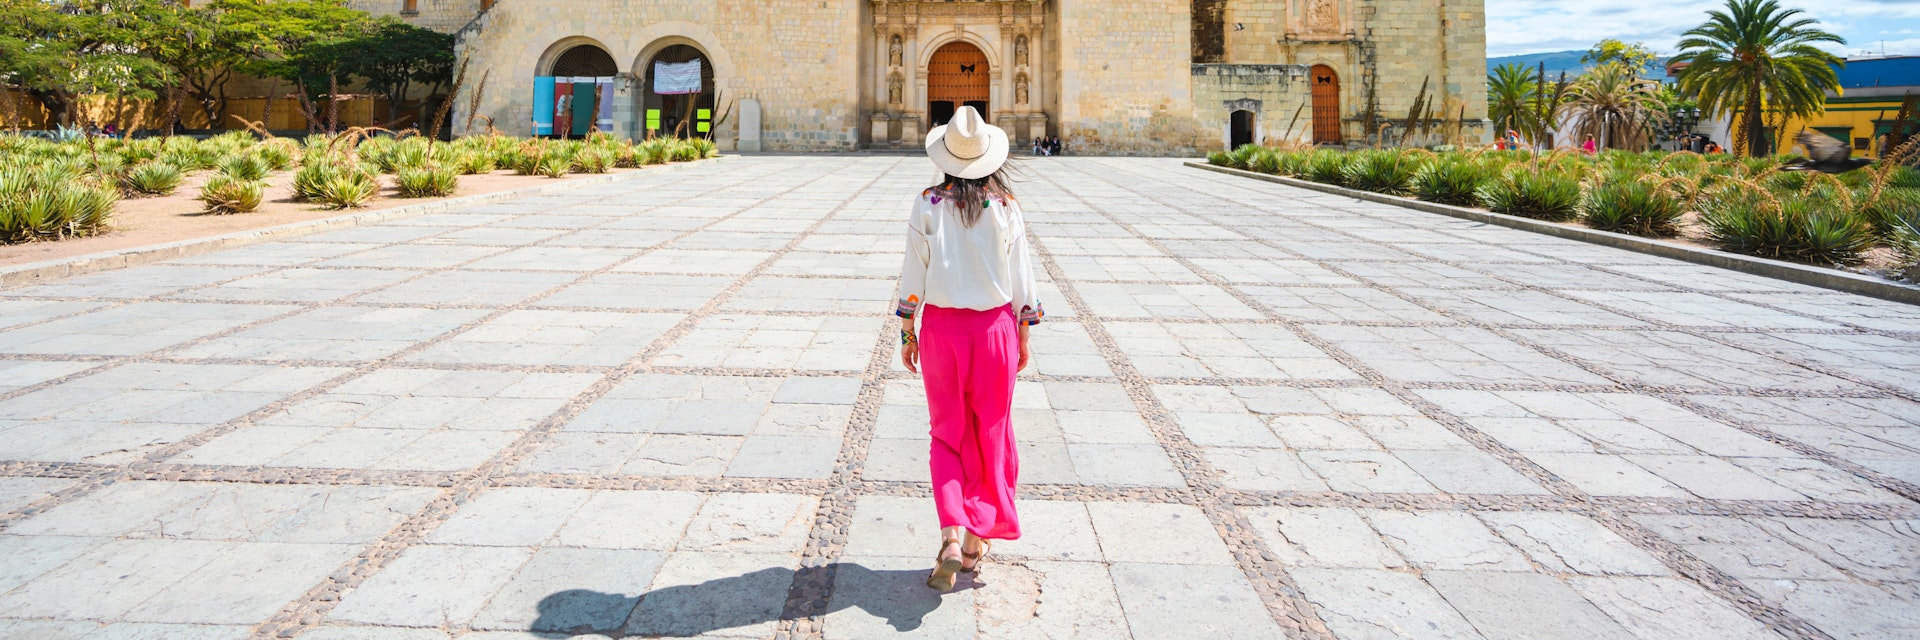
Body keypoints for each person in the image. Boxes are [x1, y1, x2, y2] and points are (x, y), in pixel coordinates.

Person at [896, 106, 1042, 592]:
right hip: (995, 332)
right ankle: (978, 539)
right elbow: (1024, 279)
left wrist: (907, 333)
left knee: (946, 434)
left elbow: (912, 277)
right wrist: (1024, 332)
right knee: (991, 431)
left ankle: (952, 537)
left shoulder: (926, 204)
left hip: (941, 332)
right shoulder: (1006, 206)